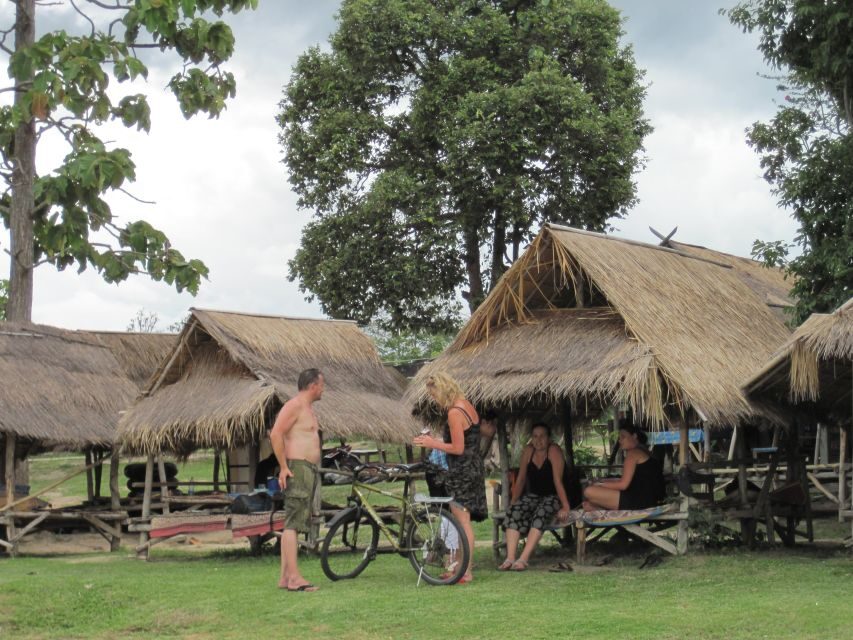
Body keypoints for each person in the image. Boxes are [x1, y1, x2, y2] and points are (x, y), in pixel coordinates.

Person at [413, 372, 487, 584]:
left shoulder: (455, 412)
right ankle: (460, 568)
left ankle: (466, 571)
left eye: (434, 395)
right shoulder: (467, 406)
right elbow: (463, 439)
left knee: (462, 522)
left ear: (443, 390)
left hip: (461, 471)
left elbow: (457, 447)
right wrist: (436, 439)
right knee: (462, 521)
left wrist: (432, 444)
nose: (434, 400)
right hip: (472, 467)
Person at [270, 368, 325, 592]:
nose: (323, 389)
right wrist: (283, 467)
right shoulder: (294, 405)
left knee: (293, 522)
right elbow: (275, 433)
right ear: (313, 386)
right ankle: (294, 578)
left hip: (308, 469)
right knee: (293, 523)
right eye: (322, 385)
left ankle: (285, 576)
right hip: (298, 467)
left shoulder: (308, 409)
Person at [498, 423, 571, 571]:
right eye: (535, 436)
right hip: (534, 496)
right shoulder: (528, 451)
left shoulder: (554, 451)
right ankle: (510, 558)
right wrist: (513, 502)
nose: (538, 440)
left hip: (554, 496)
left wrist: (565, 506)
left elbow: (558, 480)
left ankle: (523, 559)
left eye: (542, 436)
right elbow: (521, 479)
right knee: (515, 511)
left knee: (541, 514)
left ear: (549, 438)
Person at [582, 423, 666, 511]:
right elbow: (625, 480)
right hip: (650, 500)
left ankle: (601, 510)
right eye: (619, 438)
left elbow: (623, 485)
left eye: (623, 437)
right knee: (590, 501)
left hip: (640, 502)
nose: (620, 441)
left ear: (634, 436)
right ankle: (599, 509)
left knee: (588, 491)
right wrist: (602, 481)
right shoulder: (643, 451)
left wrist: (599, 484)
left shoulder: (633, 454)